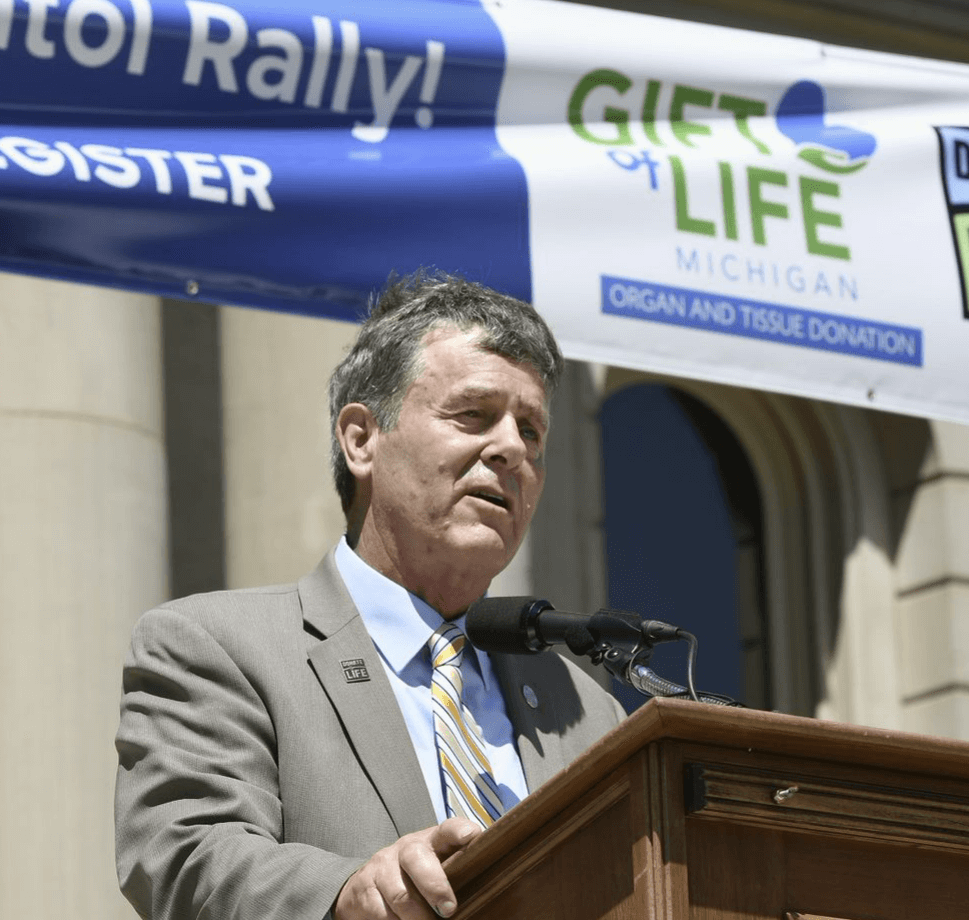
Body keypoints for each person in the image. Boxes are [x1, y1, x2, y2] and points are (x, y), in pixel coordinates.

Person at [114, 271, 624, 920]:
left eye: (532, 433)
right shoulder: (217, 648)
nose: (510, 450)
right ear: (361, 440)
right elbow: (183, 856)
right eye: (474, 415)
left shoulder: (589, 714)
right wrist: (347, 894)